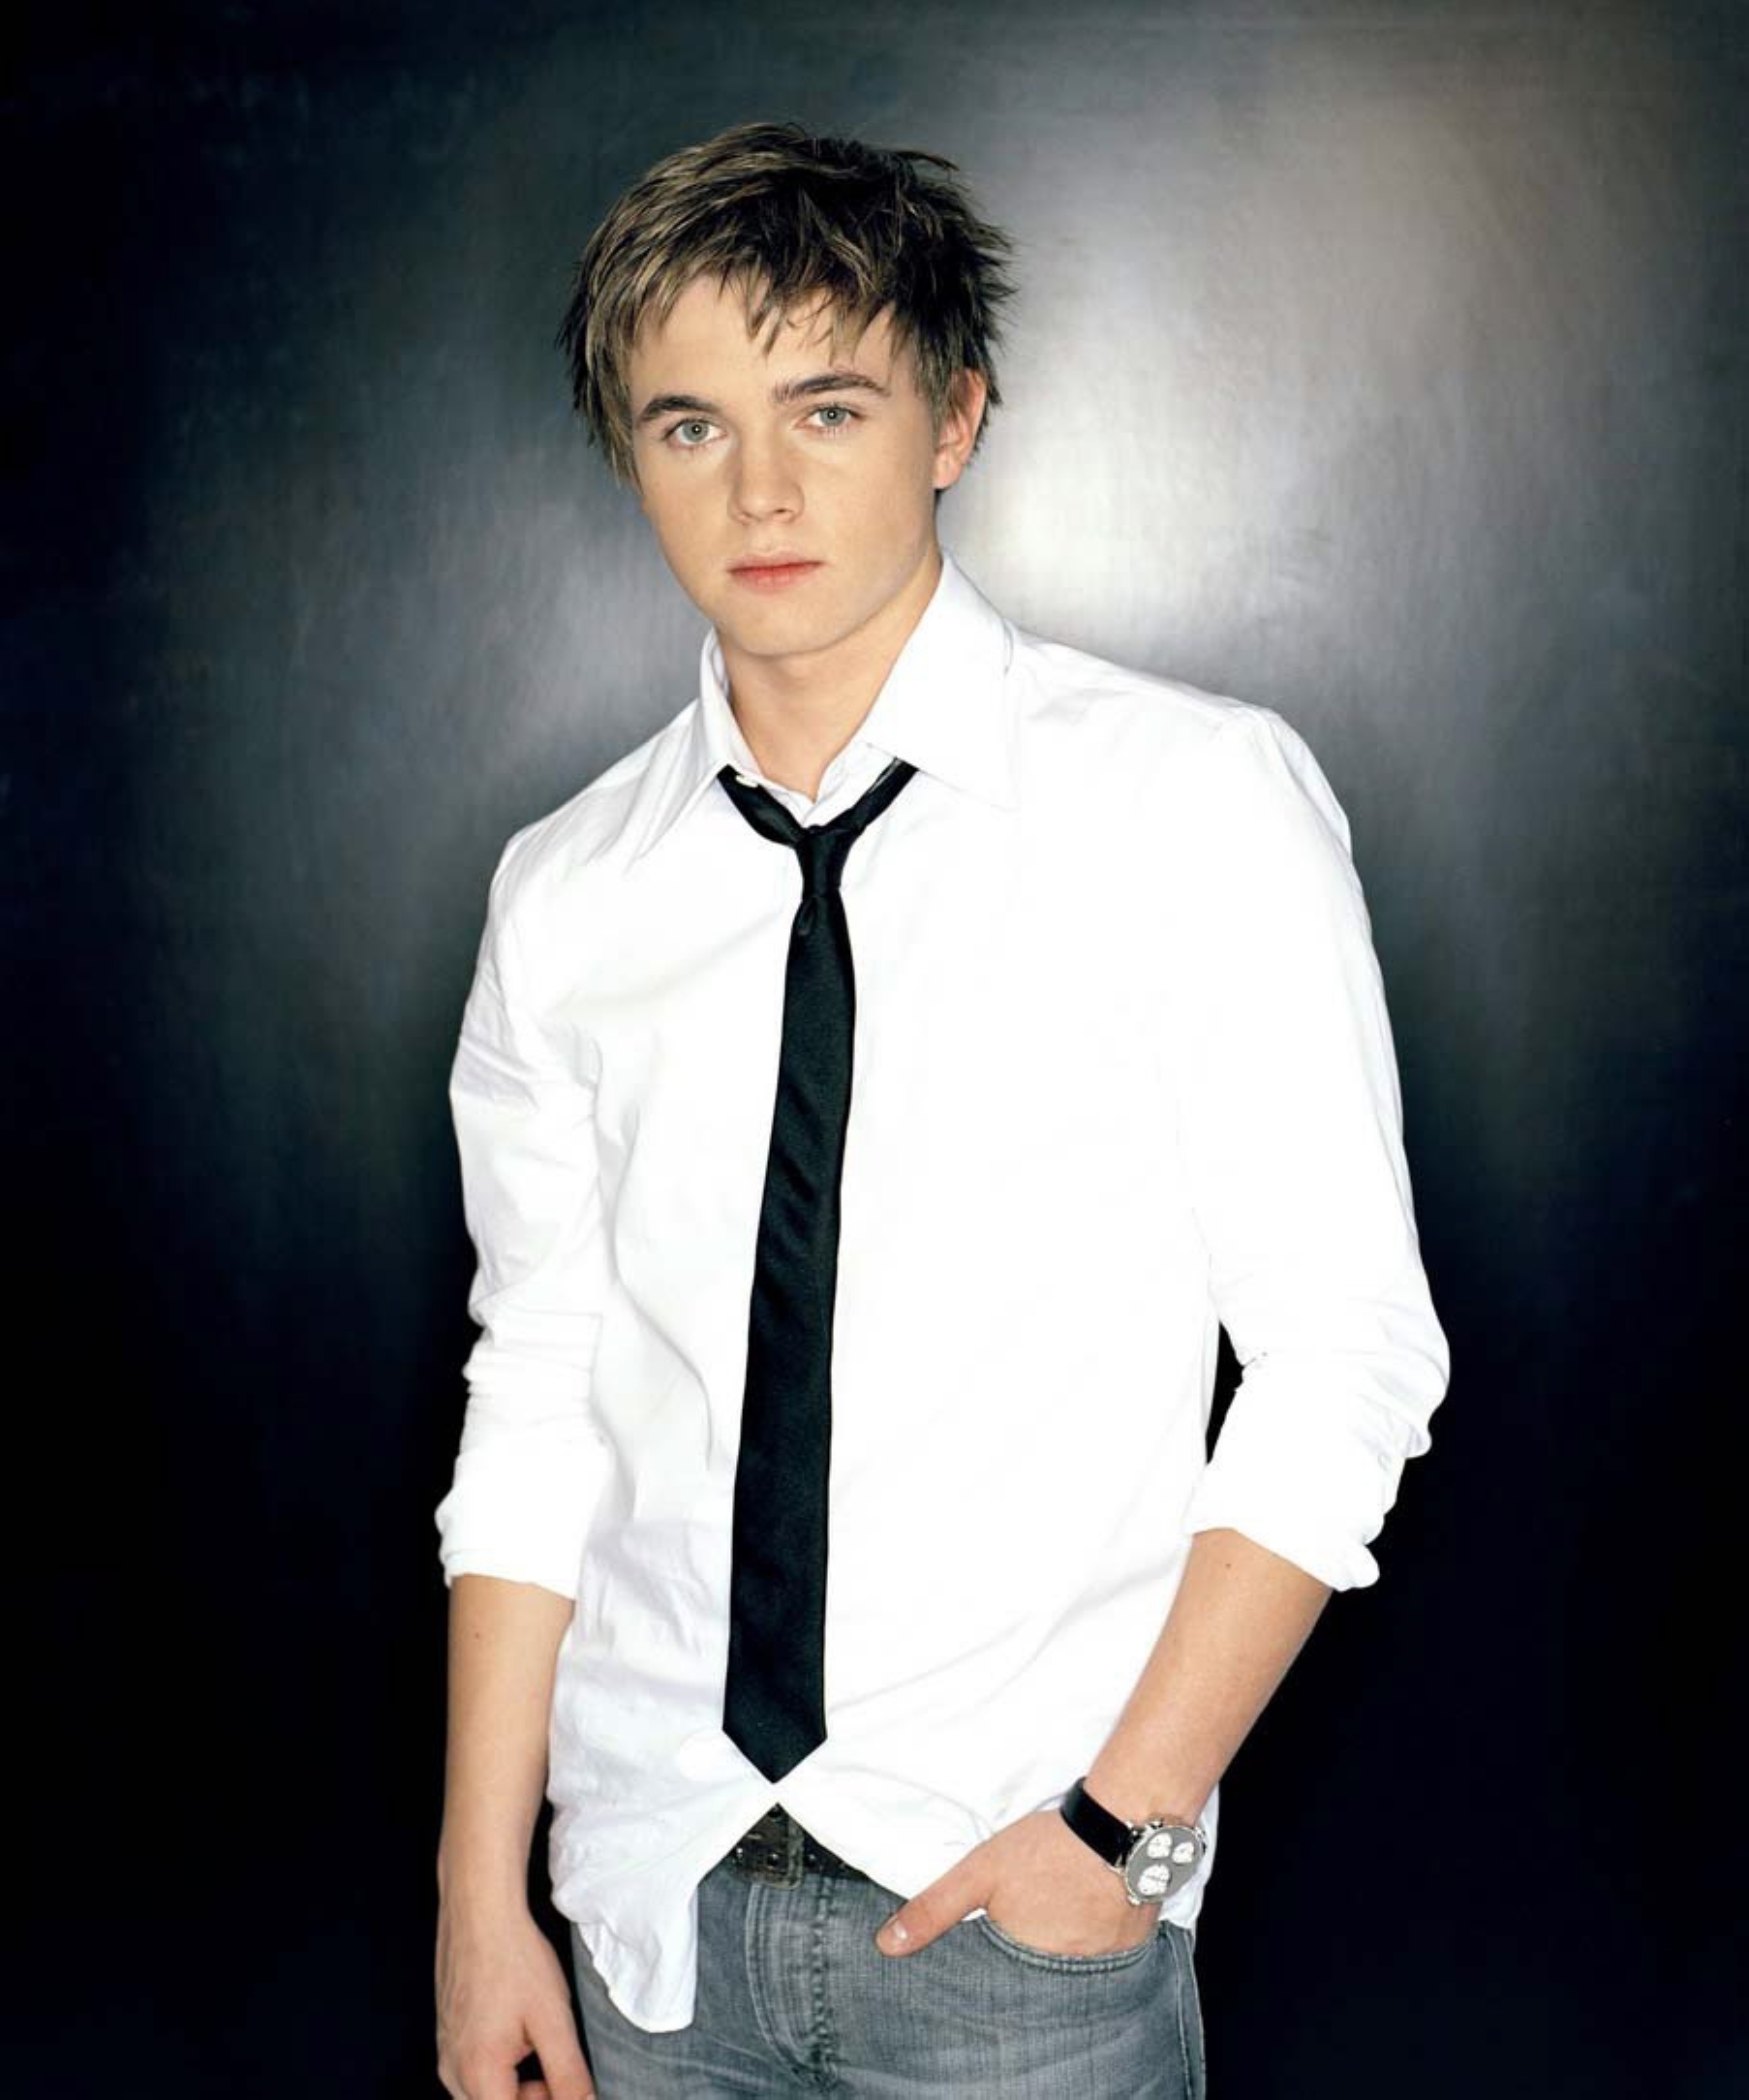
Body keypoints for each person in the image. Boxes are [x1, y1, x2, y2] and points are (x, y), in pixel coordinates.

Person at [432, 119, 1450, 2100]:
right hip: (650, 1912)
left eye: (828, 406)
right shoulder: (567, 893)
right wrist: (483, 1897)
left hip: (1018, 1922)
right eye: (691, 425)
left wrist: (1117, 1829)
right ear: (631, 454)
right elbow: (536, 1392)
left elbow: (1345, 1353)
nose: (763, 489)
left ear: (954, 417)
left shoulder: (1189, 805)